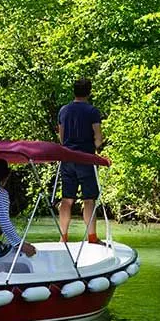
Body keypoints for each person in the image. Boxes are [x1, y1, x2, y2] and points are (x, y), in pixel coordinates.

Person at [57, 78, 105, 244]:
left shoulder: (63, 111)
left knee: (66, 199)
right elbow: (98, 137)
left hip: (67, 158)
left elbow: (62, 138)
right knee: (89, 199)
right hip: (86, 158)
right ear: (89, 92)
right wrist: (98, 146)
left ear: (74, 92)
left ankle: (63, 237)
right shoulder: (92, 111)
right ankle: (92, 237)